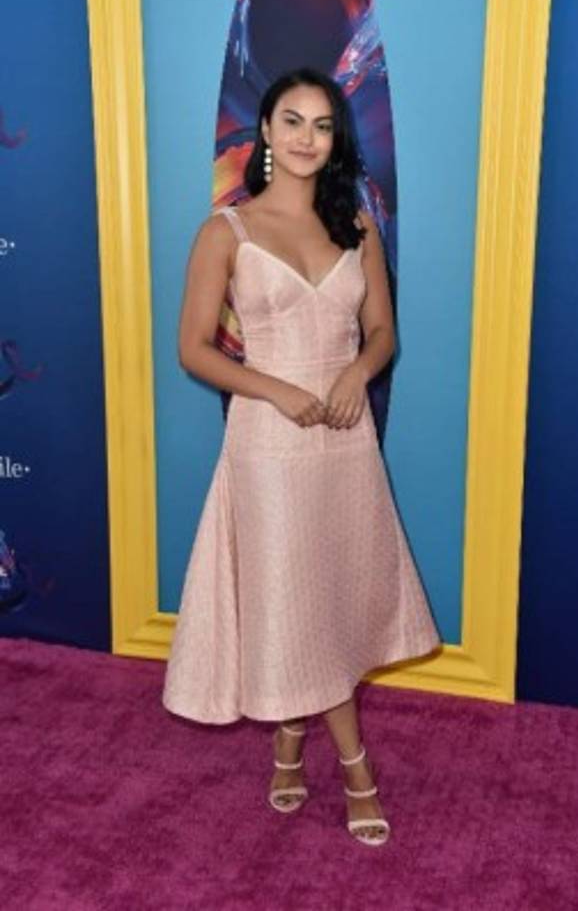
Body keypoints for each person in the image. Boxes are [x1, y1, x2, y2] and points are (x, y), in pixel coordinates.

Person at [162, 66, 441, 847]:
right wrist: (274, 391)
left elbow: (381, 332)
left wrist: (355, 372)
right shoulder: (227, 231)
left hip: (345, 443)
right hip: (268, 445)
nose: (306, 138)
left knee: (334, 591)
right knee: (292, 595)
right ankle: (356, 768)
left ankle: (289, 743)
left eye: (322, 125)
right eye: (292, 121)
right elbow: (191, 349)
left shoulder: (354, 223)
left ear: (335, 137)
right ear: (265, 133)